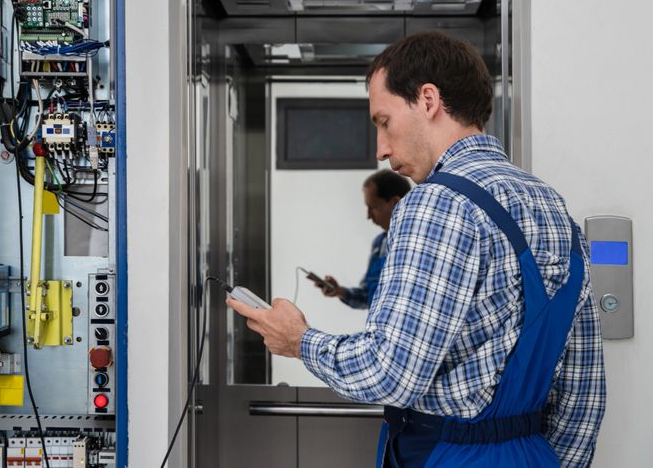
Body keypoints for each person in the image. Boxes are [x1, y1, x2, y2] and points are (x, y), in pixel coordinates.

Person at [228, 31, 605, 467]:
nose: (381, 149)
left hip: (447, 455)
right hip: (534, 455)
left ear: (428, 100)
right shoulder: (554, 208)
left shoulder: (434, 203)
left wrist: (300, 341)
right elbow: (583, 393)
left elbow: (390, 373)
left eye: (383, 122)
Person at [316, 170, 410, 309]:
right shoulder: (379, 243)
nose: (368, 216)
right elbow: (367, 296)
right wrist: (339, 291)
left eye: (373, 207)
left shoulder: (416, 244)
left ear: (396, 203)